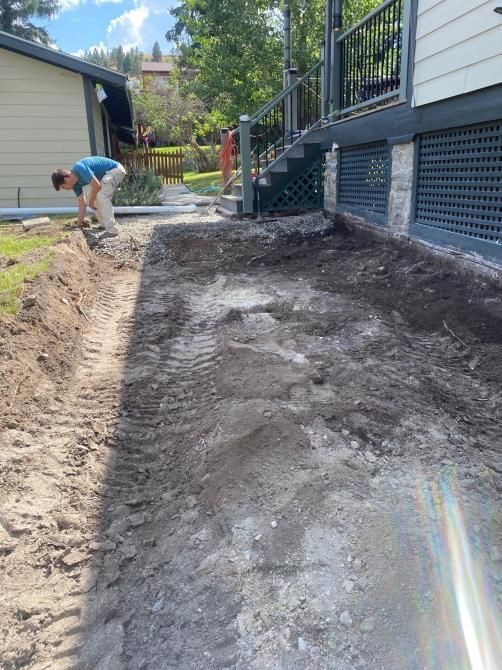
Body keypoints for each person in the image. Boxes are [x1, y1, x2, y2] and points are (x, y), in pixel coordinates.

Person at [51, 156, 126, 240]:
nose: (66, 189)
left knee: (101, 196)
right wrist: (78, 225)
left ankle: (112, 230)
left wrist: (91, 201)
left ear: (66, 180)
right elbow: (82, 205)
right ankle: (104, 225)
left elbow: (97, 186)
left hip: (115, 170)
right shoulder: (76, 186)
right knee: (91, 196)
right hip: (105, 175)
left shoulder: (80, 168)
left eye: (63, 187)